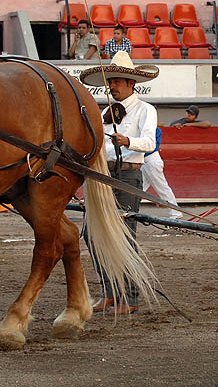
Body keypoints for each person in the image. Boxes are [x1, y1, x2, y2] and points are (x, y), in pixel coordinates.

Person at [79, 50, 159, 314]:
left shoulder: (146, 109)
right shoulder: (104, 112)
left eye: (115, 81)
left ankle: (131, 297)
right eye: (109, 81)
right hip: (102, 174)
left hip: (127, 174)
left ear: (130, 83)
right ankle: (110, 291)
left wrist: (128, 141)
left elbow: (149, 142)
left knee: (125, 234)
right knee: (92, 233)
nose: (111, 86)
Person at [142, 127, 183, 219]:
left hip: (151, 161)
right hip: (146, 161)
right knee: (139, 188)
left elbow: (149, 147)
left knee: (162, 188)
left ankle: (176, 213)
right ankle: (130, 209)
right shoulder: (148, 128)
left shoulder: (154, 129)